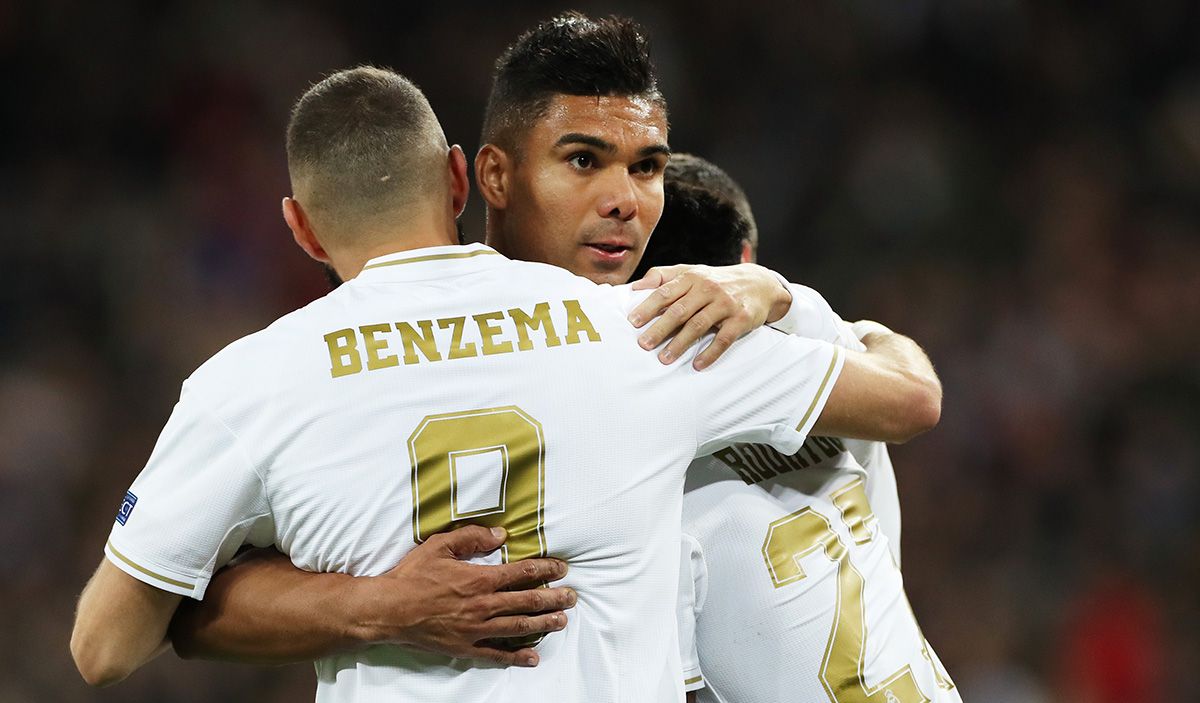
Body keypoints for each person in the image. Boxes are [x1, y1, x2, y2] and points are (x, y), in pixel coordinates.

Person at [69, 63, 940, 702]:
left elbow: (105, 646)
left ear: (299, 227)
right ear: (459, 178)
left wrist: (375, 605)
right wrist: (774, 288)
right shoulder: (635, 328)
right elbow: (906, 402)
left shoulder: (247, 383)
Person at [639, 153, 959, 702]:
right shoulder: (832, 385)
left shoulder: (642, 440)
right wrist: (855, 329)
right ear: (745, 263)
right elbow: (914, 390)